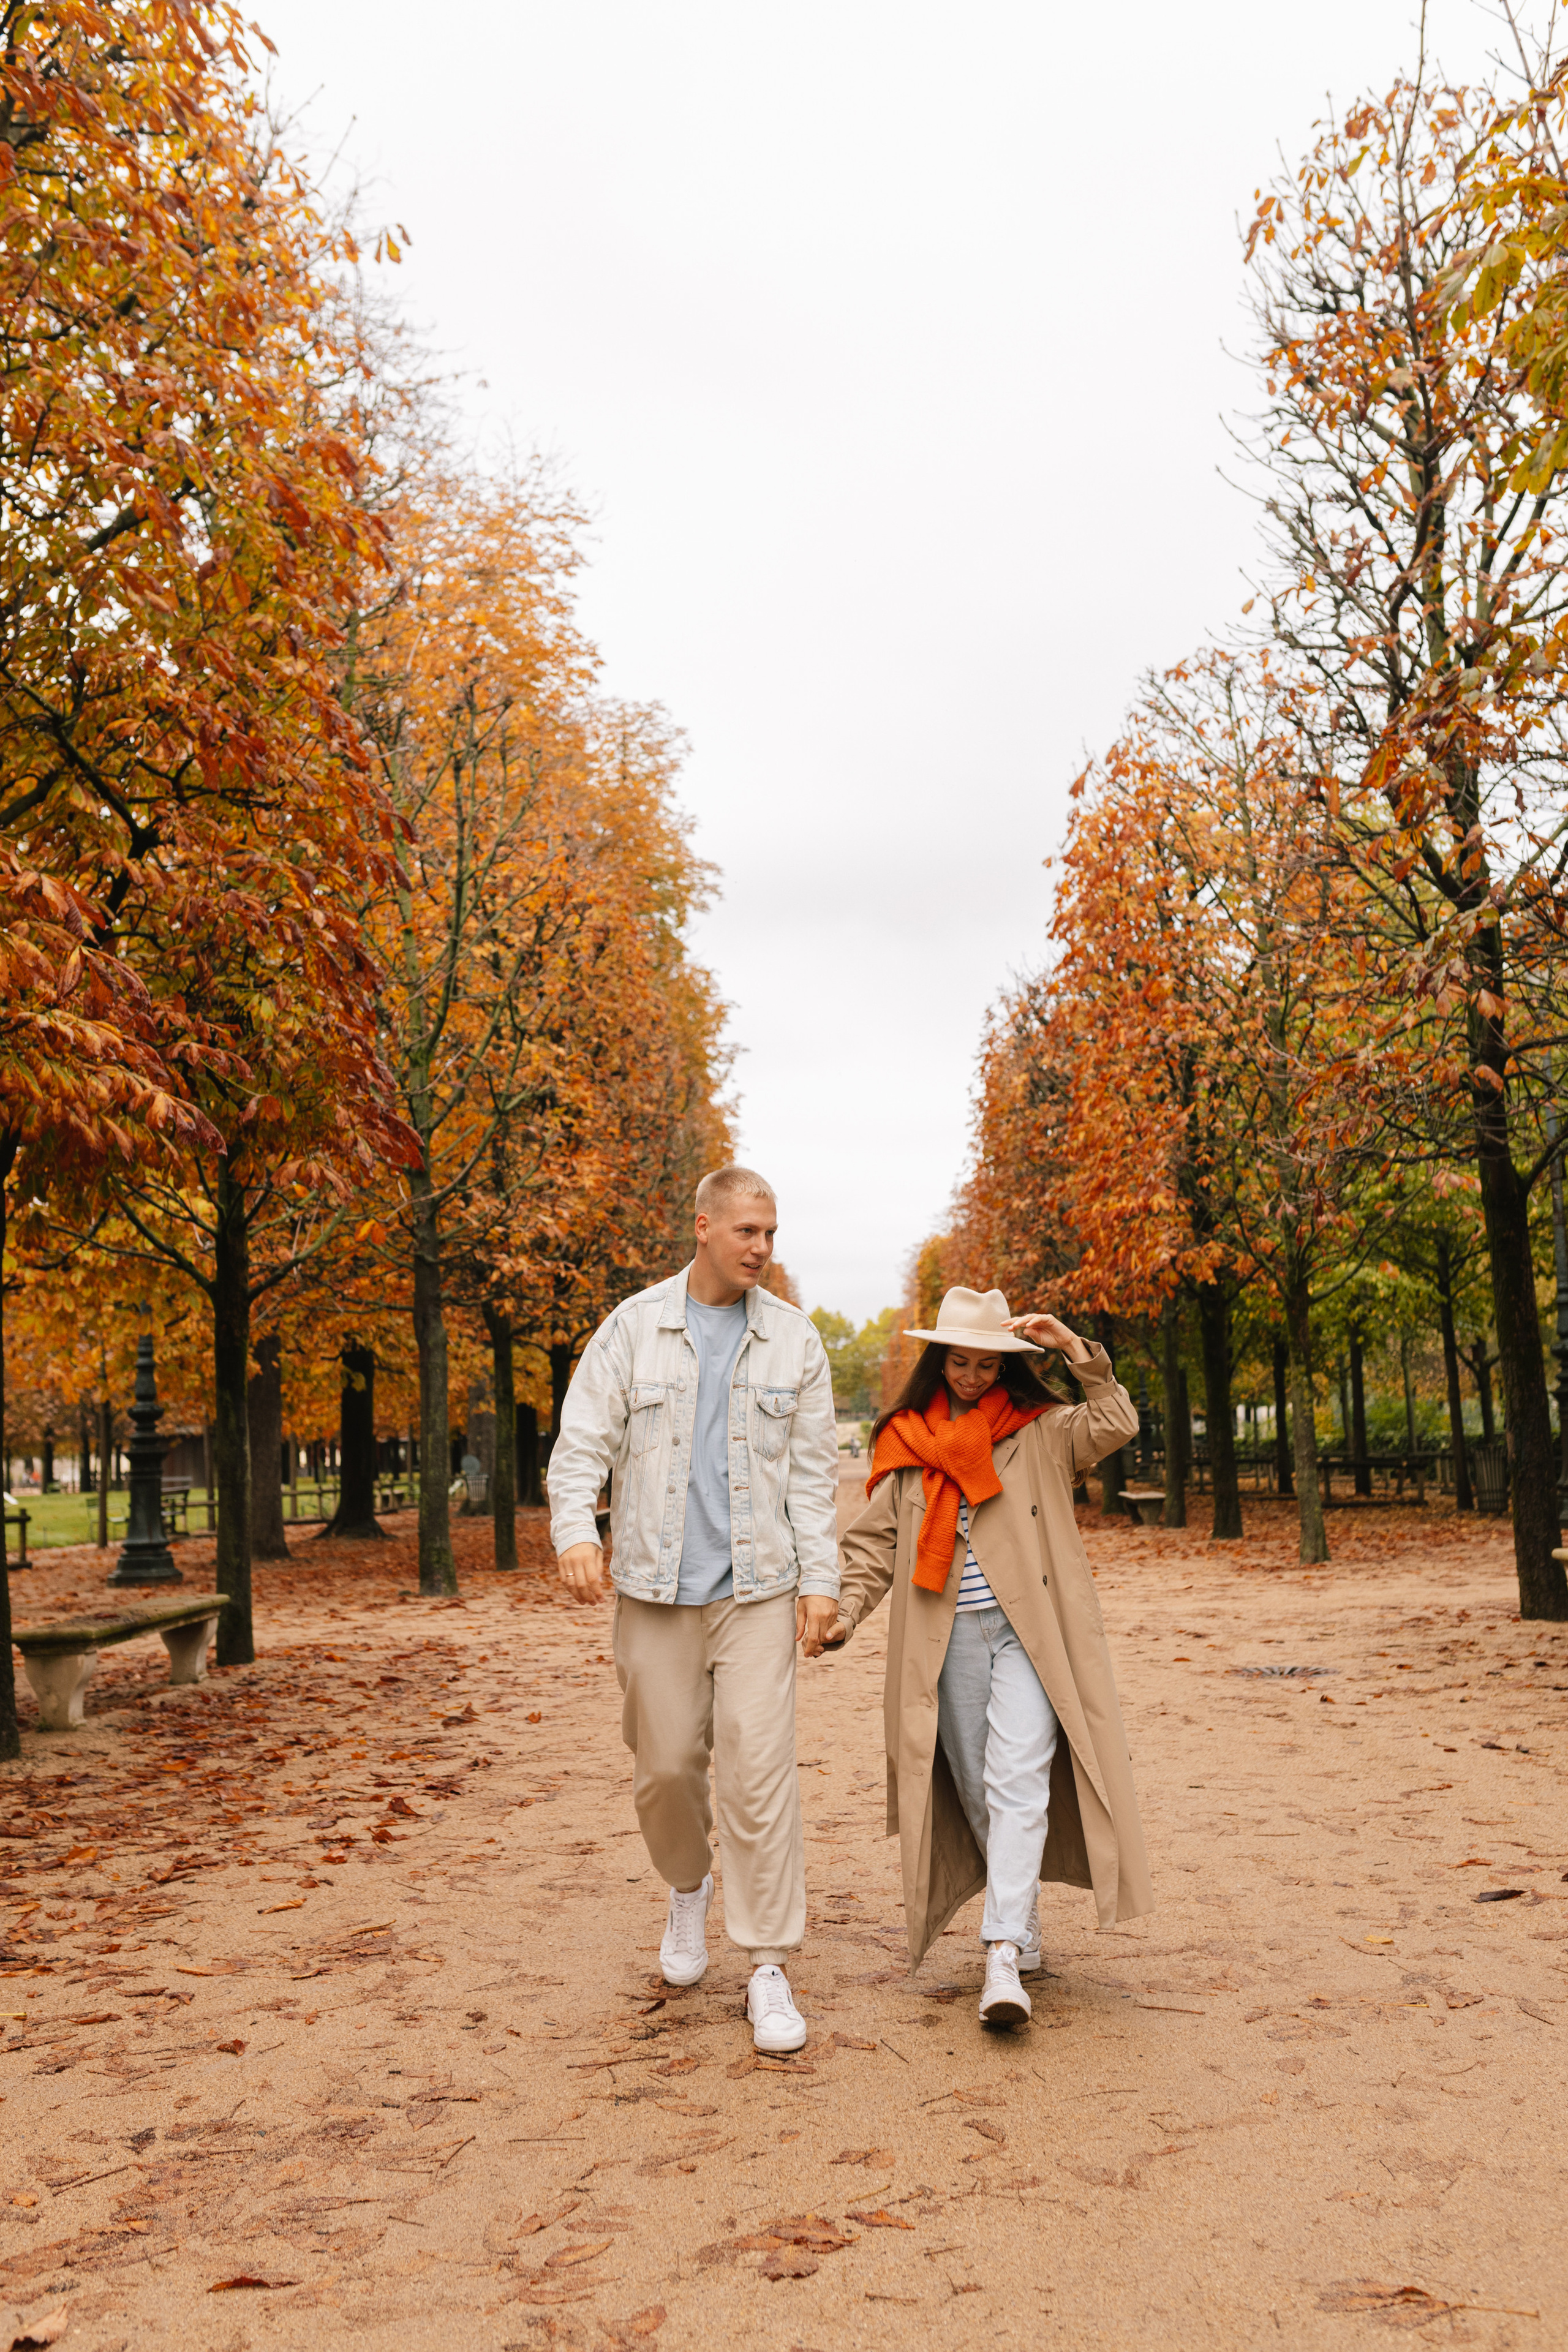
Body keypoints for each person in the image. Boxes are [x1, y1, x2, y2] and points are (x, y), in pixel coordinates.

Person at [549, 1165, 840, 2052]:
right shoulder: (634, 1330)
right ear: (705, 1225)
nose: (762, 1248)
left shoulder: (796, 1342)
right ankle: (688, 1888)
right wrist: (574, 1530)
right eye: (748, 1231)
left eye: (773, 1233)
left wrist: (820, 1579)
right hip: (653, 1589)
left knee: (759, 1778)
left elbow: (814, 1482)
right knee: (667, 1767)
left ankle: (765, 1966)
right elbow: (581, 1443)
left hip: (759, 1593)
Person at [812, 1286, 1152, 2027]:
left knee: (1018, 1776)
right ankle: (1019, 1910)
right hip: (947, 1633)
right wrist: (844, 1613)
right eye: (959, 1363)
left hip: (1030, 1631)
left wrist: (1070, 1348)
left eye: (988, 1366)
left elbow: (1115, 1420)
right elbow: (875, 1544)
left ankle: (1000, 1949)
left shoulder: (1041, 1430)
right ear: (939, 1364)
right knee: (974, 1784)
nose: (972, 1378)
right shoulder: (905, 1440)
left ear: (1008, 1369)